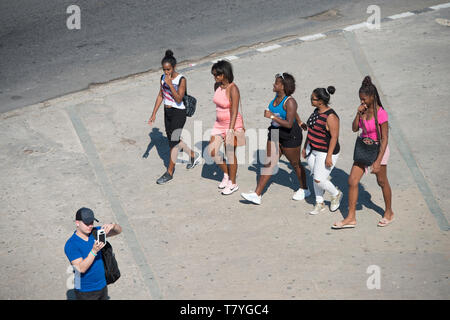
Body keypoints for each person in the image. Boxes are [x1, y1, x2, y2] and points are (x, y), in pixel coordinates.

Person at [332, 76, 393, 229]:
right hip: (363, 150)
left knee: (382, 182)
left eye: (364, 99)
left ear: (372, 97)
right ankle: (351, 217)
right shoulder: (362, 110)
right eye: (360, 99)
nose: (362, 102)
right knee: (352, 181)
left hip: (378, 150)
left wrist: (378, 161)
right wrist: (358, 113)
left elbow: (385, 138)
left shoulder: (381, 113)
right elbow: (354, 128)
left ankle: (389, 212)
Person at [241, 72, 308, 204]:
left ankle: (305, 189)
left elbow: (289, 123)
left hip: (290, 135)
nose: (274, 84)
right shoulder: (277, 97)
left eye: (276, 83)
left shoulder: (290, 101)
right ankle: (257, 194)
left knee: (295, 164)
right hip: (275, 132)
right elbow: (293, 114)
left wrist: (272, 116)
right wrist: (300, 121)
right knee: (269, 163)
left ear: (283, 86)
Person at [148, 50, 201, 184]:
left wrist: (170, 84)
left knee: (173, 144)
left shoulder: (181, 80)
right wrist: (154, 113)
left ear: (174, 67)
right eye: (164, 70)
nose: (166, 72)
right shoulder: (162, 78)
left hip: (179, 113)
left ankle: (169, 172)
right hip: (167, 113)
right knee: (174, 140)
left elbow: (178, 99)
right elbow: (161, 95)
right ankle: (193, 155)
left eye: (168, 69)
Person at [64, 207, 122, 300]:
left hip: (102, 285)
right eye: (87, 223)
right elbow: (80, 268)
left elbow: (118, 231)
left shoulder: (96, 233)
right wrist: (94, 251)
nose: (90, 226)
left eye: (91, 222)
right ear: (77, 223)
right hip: (85, 291)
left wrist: (113, 226)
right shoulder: (71, 244)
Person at [302, 86, 343, 215]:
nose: (311, 100)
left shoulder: (331, 117)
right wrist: (305, 147)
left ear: (321, 101)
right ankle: (320, 202)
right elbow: (311, 131)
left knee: (319, 179)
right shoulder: (316, 111)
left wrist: (329, 156)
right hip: (312, 148)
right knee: (315, 177)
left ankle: (336, 194)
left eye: (313, 99)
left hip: (324, 152)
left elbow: (334, 137)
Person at [208, 60, 245, 195]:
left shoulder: (233, 89)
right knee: (212, 151)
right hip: (219, 124)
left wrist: (230, 130)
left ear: (224, 74)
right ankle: (226, 173)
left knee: (230, 154)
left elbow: (234, 111)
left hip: (233, 124)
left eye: (217, 75)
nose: (215, 77)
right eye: (214, 75)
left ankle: (233, 183)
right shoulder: (217, 85)